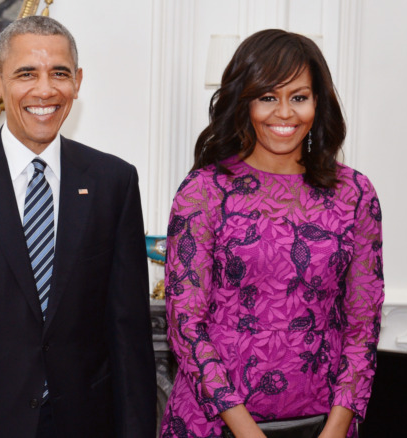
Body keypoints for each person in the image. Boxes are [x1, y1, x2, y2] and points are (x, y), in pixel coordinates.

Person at [0, 15, 156, 438]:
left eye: (59, 73)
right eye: (26, 74)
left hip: (86, 422)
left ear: (77, 81)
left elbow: (129, 332)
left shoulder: (114, 182)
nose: (45, 90)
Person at [160, 29, 384, 438]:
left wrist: (335, 431)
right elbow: (185, 324)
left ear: (318, 102)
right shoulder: (204, 191)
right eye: (268, 97)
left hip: (325, 425)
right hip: (213, 425)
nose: (285, 113)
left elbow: (362, 329)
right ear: (244, 104)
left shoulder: (354, 193)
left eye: (298, 97)